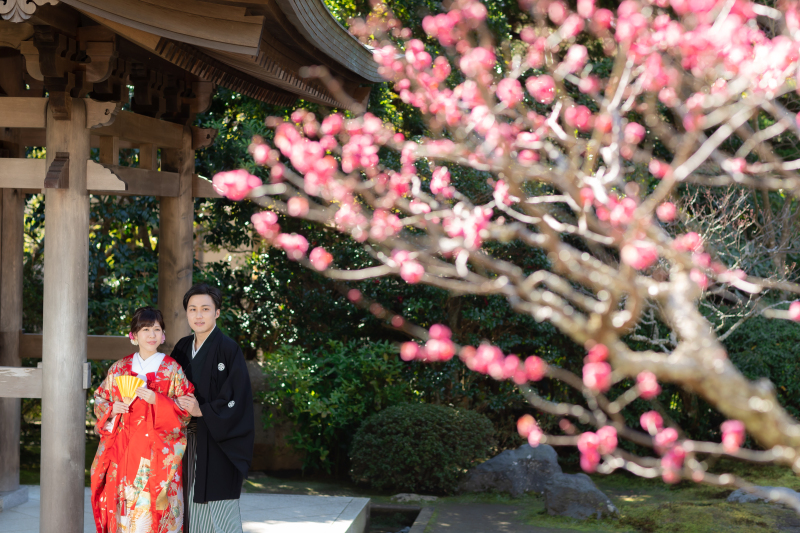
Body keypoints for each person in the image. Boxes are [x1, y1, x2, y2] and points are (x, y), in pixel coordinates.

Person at [90, 307, 194, 533]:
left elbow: (186, 411)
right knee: (126, 515)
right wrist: (112, 408)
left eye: (157, 329)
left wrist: (158, 400)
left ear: (163, 335)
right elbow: (100, 401)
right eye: (145, 329)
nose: (152, 335)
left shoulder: (173, 369)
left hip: (160, 455)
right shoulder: (118, 369)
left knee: (159, 511)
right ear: (133, 336)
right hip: (125, 453)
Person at [173, 283, 254, 533]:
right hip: (187, 442)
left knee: (221, 512)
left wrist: (203, 410)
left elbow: (237, 399)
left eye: (205, 309)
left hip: (220, 443)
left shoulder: (229, 349)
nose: (198, 315)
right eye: (193, 309)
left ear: (217, 312)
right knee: (191, 507)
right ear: (186, 313)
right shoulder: (182, 348)